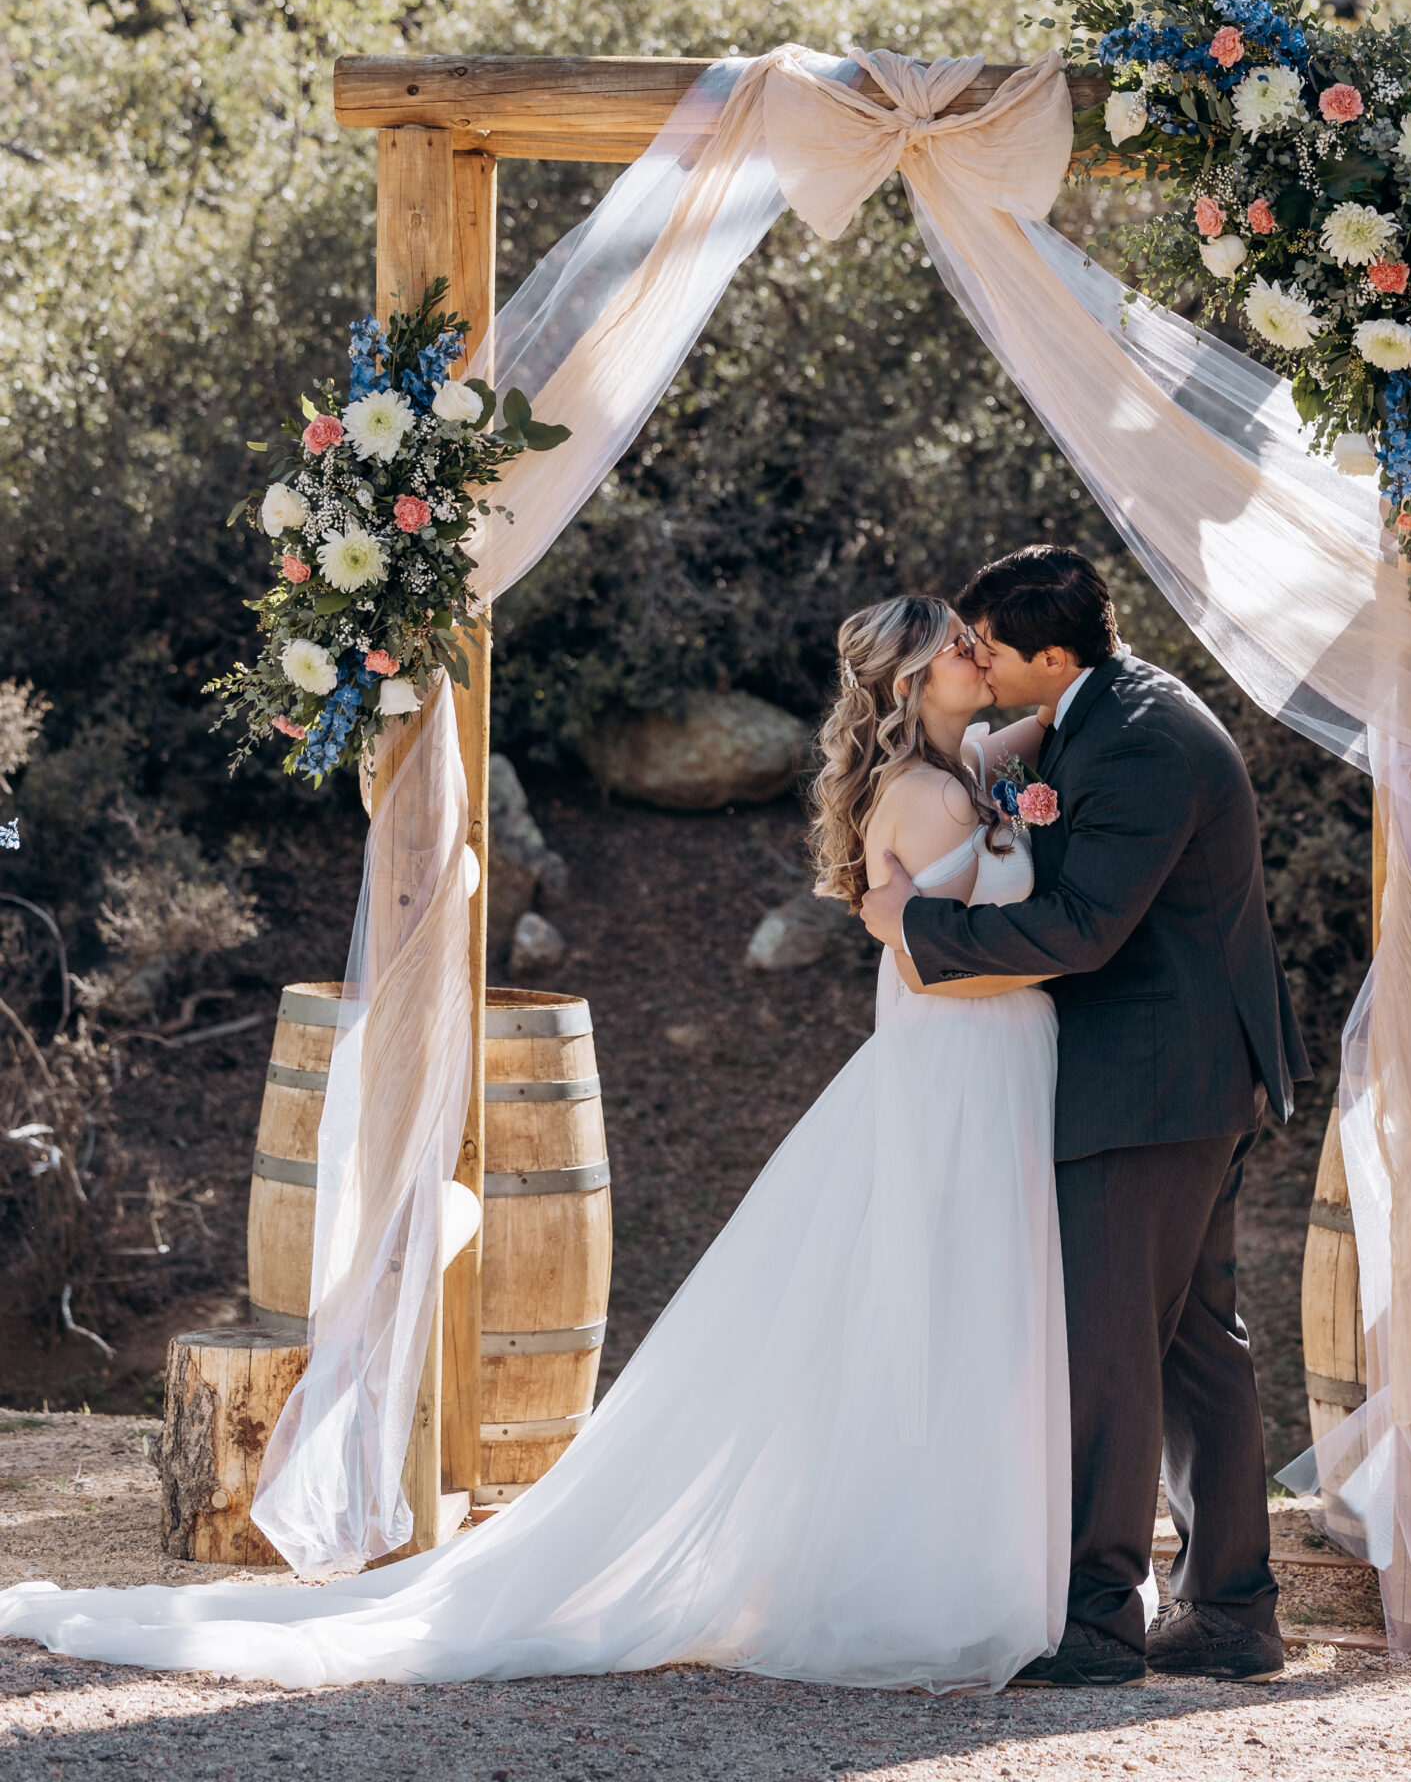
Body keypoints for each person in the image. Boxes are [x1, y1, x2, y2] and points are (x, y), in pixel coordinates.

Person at [0, 596, 1080, 1693]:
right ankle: (942, 1578)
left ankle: (955, 1553)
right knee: (947, 1301)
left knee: (965, 1302)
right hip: (959, 1064)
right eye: (954, 643)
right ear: (907, 683)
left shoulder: (968, 767)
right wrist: (1056, 951)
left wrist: (1068, 708)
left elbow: (1027, 745)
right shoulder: (926, 793)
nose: (975, 651)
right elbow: (944, 959)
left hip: (979, 1068)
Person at [863, 545, 1310, 1688]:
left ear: (1051, 656)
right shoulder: (1098, 704)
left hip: (1152, 1082)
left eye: (992, 650)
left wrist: (913, 929)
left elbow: (1083, 929)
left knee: (1112, 1351)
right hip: (1179, 1075)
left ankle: (1099, 1623)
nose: (978, 661)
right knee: (1196, 1346)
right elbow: (1017, 784)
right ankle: (1233, 1613)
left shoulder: (1143, 736)